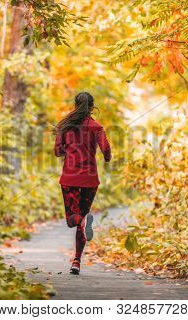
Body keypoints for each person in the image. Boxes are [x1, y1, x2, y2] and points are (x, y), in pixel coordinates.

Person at [54, 92, 111, 275]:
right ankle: (76, 261)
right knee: (81, 220)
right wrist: (106, 157)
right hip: (90, 180)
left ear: (75, 104)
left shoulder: (65, 127)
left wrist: (69, 149)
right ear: (92, 106)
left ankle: (83, 222)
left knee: (73, 220)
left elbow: (57, 152)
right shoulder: (97, 127)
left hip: (70, 179)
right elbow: (107, 151)